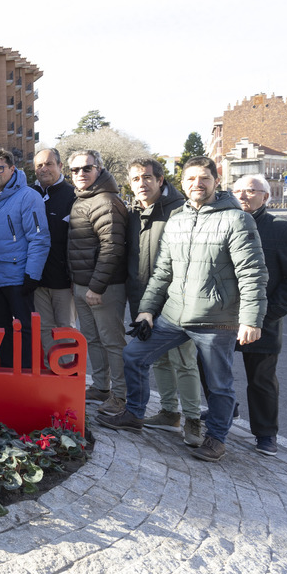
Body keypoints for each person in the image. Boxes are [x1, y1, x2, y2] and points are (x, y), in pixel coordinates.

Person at [107, 157, 268, 464]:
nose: (197, 184)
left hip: (215, 318)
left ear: (216, 181)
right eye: (191, 178)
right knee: (133, 355)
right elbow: (162, 272)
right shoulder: (178, 219)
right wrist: (147, 311)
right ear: (182, 183)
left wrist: (250, 319)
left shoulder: (236, 219)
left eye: (204, 178)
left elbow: (253, 273)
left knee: (219, 383)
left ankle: (217, 439)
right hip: (174, 314)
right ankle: (134, 414)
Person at [126, 157, 204, 446]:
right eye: (135, 179)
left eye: (147, 177)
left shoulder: (180, 211)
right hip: (143, 301)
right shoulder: (134, 211)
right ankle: (170, 413)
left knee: (183, 361)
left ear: (161, 180)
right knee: (156, 359)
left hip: (176, 304)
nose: (141, 183)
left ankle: (192, 421)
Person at [233, 174, 287, 456]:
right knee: (211, 369)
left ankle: (265, 434)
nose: (243, 195)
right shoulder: (225, 223)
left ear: (265, 197)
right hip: (222, 316)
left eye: (251, 191)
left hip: (261, 320)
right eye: (238, 190)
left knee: (261, 379)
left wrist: (268, 315)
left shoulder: (282, 230)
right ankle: (227, 410)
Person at [68, 149, 129, 413]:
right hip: (82, 285)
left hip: (103, 288)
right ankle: (101, 385)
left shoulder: (105, 200)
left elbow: (112, 247)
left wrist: (96, 287)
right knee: (92, 339)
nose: (80, 174)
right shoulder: (84, 198)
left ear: (99, 169)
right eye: (75, 170)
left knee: (112, 342)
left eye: (87, 168)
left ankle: (120, 395)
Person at [0, 148, 50, 369]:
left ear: (12, 169)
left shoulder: (29, 196)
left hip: (18, 276)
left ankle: (28, 375)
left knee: (26, 329)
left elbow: (39, 238)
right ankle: (8, 375)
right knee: (1, 331)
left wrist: (32, 274)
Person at [32, 148, 76, 369]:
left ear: (60, 166)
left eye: (49, 163)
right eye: (39, 165)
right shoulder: (30, 194)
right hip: (37, 279)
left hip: (63, 280)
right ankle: (52, 371)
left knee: (65, 328)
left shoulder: (72, 195)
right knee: (44, 328)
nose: (44, 168)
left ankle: (69, 373)